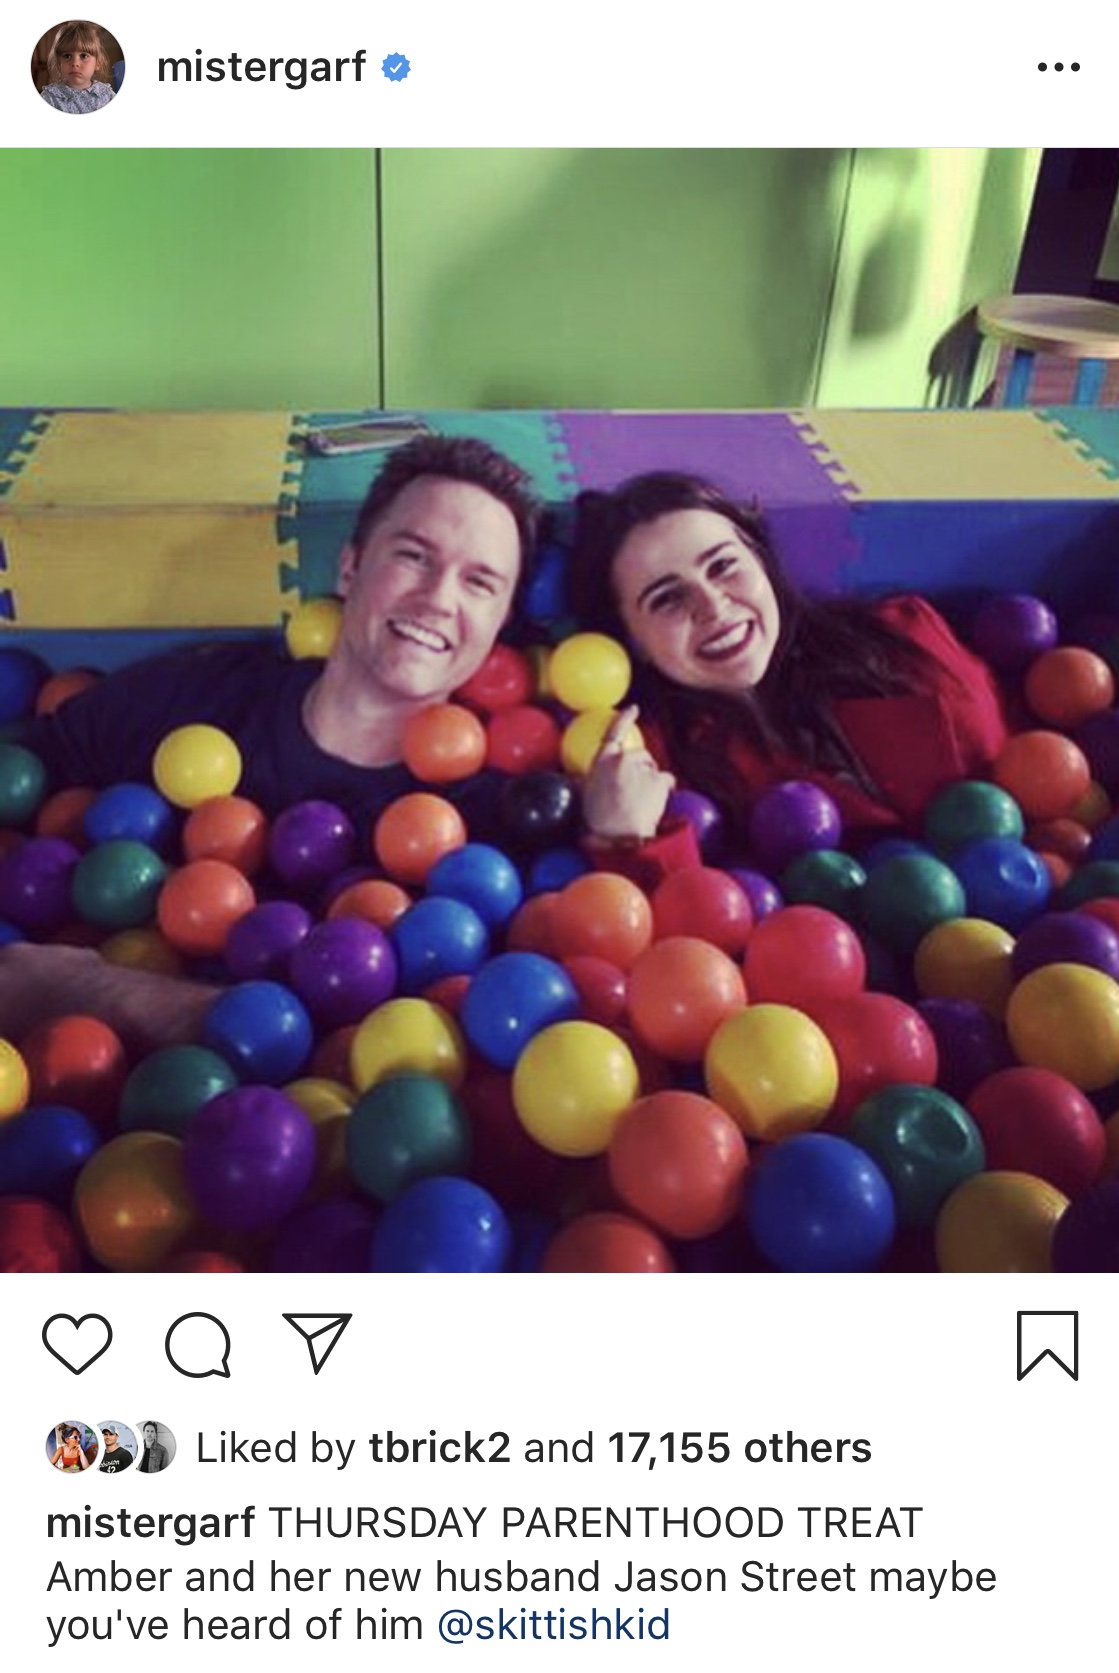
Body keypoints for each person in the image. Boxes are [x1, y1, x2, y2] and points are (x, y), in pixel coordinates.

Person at [0, 433, 538, 1046]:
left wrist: (97, 991)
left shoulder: (485, 834)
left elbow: (396, 1049)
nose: (439, 598)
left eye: (479, 583)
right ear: (350, 566)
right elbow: (29, 765)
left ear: (500, 624)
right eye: (414, 556)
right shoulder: (202, 695)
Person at [571, 471, 1008, 880]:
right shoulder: (651, 768)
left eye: (722, 566)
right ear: (631, 641)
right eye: (667, 598)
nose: (713, 605)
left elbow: (1009, 770)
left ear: (763, 562)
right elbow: (690, 919)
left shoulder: (905, 640)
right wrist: (623, 839)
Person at [39, 20, 117, 113]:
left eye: (84, 56)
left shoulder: (106, 95)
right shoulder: (50, 97)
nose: (75, 63)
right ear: (59, 62)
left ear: (98, 63)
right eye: (67, 56)